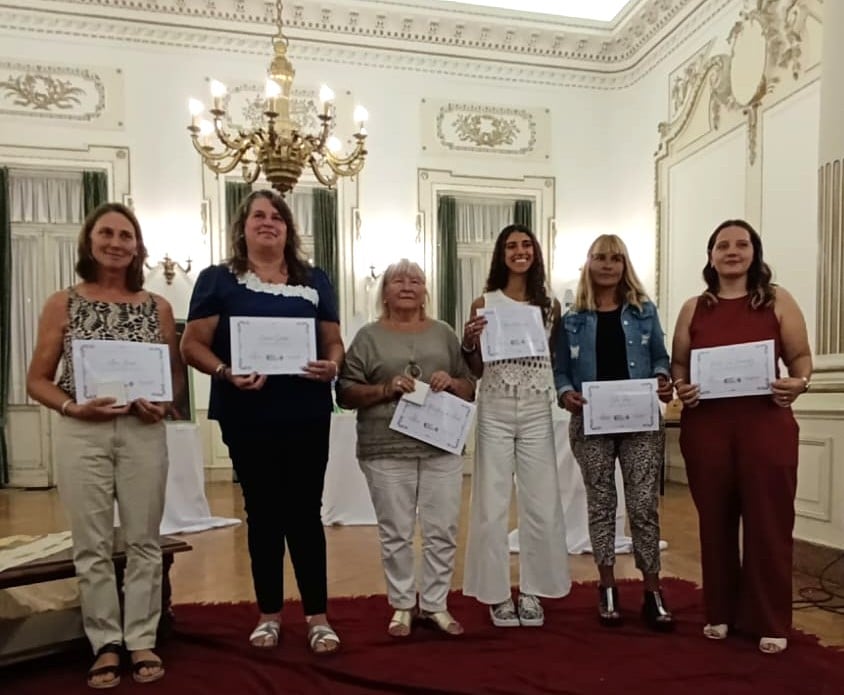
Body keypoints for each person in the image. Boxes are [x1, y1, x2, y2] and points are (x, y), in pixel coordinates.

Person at [180, 189, 344, 654]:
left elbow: (334, 343)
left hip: (308, 412)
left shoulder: (316, 280)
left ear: (288, 228)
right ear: (243, 226)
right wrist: (225, 372)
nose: (267, 222)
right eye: (258, 215)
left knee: (306, 515)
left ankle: (318, 616)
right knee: (264, 515)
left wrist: (332, 365)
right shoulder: (218, 279)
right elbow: (192, 344)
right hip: (247, 414)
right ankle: (269, 614)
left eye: (276, 216)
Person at [26, 202, 180, 688]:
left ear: (138, 247)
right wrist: (74, 408)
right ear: (89, 242)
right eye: (107, 234)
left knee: (143, 540)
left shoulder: (158, 306)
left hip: (142, 431)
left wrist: (162, 403)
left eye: (126, 236)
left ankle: (141, 637)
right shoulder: (63, 302)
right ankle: (105, 642)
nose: (116, 243)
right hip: (82, 429)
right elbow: (38, 381)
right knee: (91, 543)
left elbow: (171, 379)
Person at [671, 219, 811, 654]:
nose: (732, 251)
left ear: (755, 252)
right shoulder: (693, 307)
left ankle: (769, 619)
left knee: (769, 524)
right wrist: (682, 386)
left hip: (766, 425)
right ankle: (720, 612)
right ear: (710, 255)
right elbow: (678, 363)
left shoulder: (777, 300)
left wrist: (799, 382)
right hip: (707, 428)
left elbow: (801, 358)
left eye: (742, 244)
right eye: (723, 245)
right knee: (715, 523)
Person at [337, 259, 476, 637]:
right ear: (384, 291)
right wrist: (385, 388)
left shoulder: (444, 333)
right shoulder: (368, 336)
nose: (407, 286)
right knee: (396, 531)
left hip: (441, 445)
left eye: (415, 280)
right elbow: (345, 392)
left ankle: (435, 604)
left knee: (442, 530)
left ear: (425, 290)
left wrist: (452, 382)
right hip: (384, 446)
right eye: (398, 280)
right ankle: (401, 605)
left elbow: (470, 384)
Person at [553, 234, 674, 631]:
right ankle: (606, 586)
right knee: (601, 503)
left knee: (642, 506)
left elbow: (660, 356)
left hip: (640, 422)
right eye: (600, 257)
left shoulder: (644, 311)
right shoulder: (571, 320)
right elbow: (560, 371)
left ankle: (652, 590)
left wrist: (661, 377)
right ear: (588, 263)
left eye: (615, 258)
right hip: (591, 422)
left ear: (625, 265)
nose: (608, 265)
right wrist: (565, 392)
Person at [462, 223, 570, 627]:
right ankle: (495, 593)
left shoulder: (549, 306)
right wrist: (470, 341)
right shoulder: (483, 302)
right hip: (494, 406)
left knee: (541, 501)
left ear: (535, 252)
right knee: (490, 504)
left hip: (536, 409)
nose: (519, 251)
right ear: (501, 254)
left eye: (526, 245)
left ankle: (532, 591)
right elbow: (474, 368)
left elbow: (555, 360)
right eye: (511, 245)